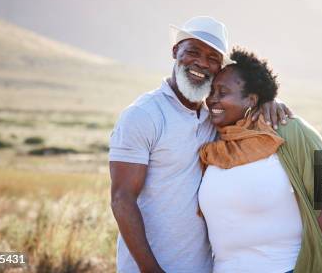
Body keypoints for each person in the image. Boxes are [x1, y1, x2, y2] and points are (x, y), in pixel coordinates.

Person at [109, 16, 292, 273]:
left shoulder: (214, 115)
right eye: (193, 51)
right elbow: (121, 198)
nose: (202, 63)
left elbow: (246, 107)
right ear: (175, 52)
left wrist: (269, 101)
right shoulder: (144, 115)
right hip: (149, 266)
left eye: (213, 58)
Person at [198, 48, 322, 273]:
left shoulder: (290, 133)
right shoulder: (213, 142)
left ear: (251, 99)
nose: (212, 99)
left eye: (222, 92)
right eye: (211, 90)